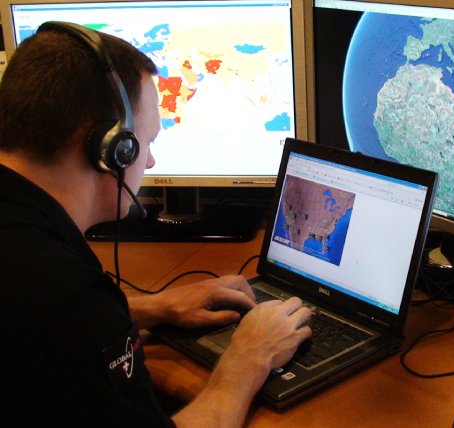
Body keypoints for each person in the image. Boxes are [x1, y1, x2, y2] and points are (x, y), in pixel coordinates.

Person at [0, 24, 312, 427]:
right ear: (112, 150)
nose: (148, 163)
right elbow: (57, 319)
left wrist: (150, 307)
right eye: (146, 143)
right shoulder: (62, 295)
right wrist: (249, 358)